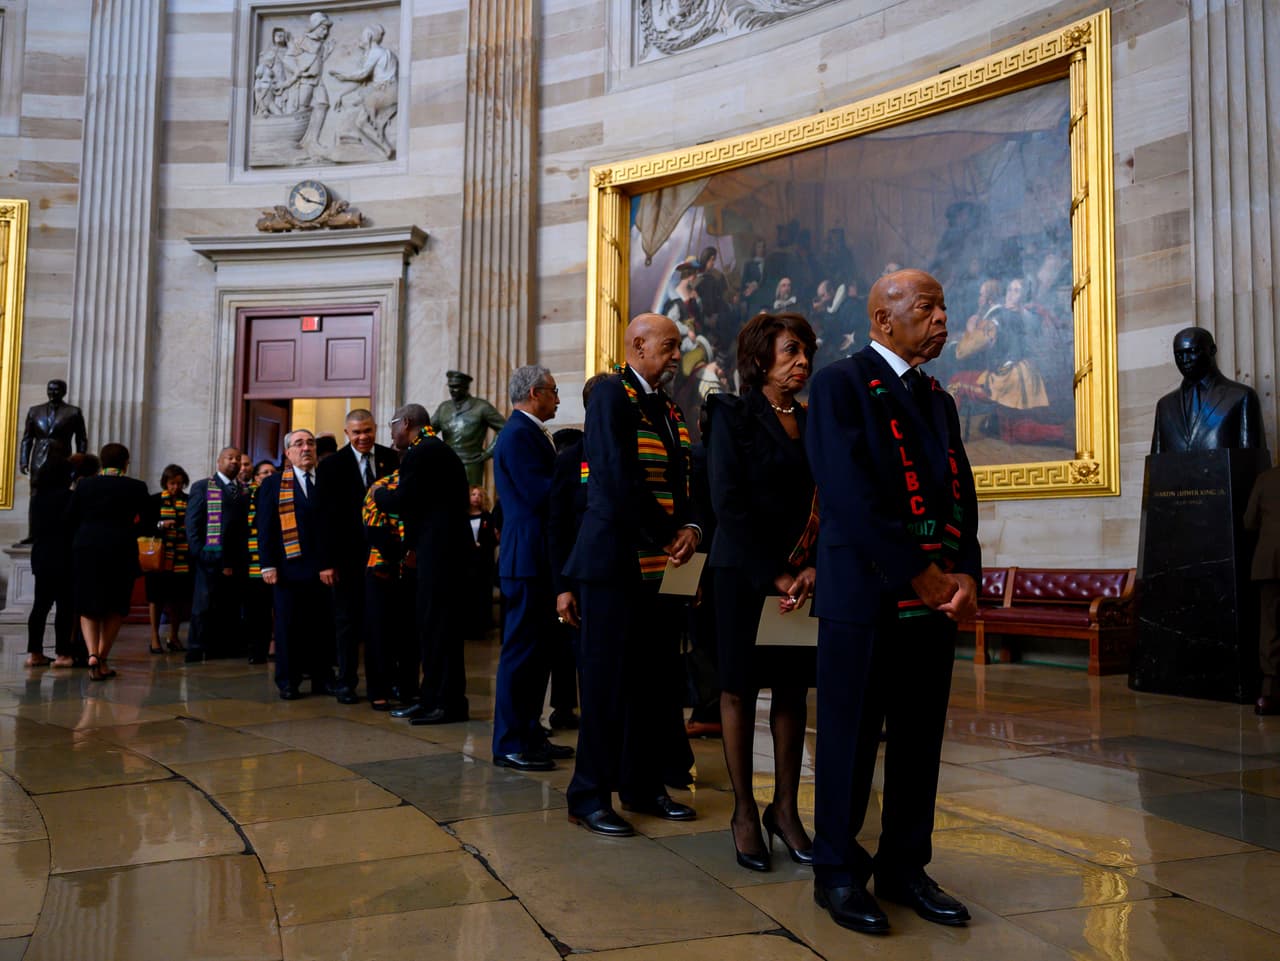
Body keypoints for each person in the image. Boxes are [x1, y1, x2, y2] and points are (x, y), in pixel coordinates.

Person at [805, 268, 980, 934]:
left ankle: (905, 865)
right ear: (883, 318)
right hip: (865, 598)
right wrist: (919, 572)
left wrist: (963, 571)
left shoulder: (939, 399)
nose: (942, 317)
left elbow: (959, 489)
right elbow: (848, 496)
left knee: (918, 740)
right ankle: (838, 872)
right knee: (848, 742)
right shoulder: (840, 384)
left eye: (944, 306)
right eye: (928, 307)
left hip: (931, 603)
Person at [562, 314, 701, 837]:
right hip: (614, 563)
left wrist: (690, 526)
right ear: (637, 345)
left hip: (660, 567)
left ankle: (642, 787)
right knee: (604, 684)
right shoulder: (610, 396)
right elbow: (617, 477)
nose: (674, 355)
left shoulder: (667, 406)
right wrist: (667, 531)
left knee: (652, 683)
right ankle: (588, 796)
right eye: (668, 346)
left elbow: (686, 475)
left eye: (677, 347)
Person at [707, 312, 819, 873]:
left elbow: (829, 500)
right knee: (740, 690)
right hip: (744, 575)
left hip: (800, 577)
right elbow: (727, 501)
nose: (803, 362)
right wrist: (773, 572)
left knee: (794, 691)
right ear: (760, 358)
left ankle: (786, 810)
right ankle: (745, 812)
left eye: (806, 353)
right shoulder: (731, 413)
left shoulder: (812, 419)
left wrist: (810, 568)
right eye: (792, 351)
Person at [490, 365, 574, 771]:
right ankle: (509, 742)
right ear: (535, 392)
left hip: (537, 555)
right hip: (526, 557)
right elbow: (541, 493)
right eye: (554, 392)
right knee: (521, 654)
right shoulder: (519, 434)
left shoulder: (529, 432)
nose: (558, 399)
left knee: (539, 653)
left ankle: (530, 733)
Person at [378, 404, 473, 724]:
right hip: (439, 553)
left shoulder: (424, 452)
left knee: (439, 631)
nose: (390, 433)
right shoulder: (432, 449)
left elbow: (406, 500)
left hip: (441, 556)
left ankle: (446, 703)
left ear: (406, 423)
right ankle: (431, 697)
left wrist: (379, 495)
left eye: (392, 425)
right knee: (432, 629)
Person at [316, 408, 398, 703]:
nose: (363, 437)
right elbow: (322, 518)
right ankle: (346, 682)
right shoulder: (331, 466)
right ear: (346, 434)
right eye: (357, 432)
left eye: (368, 431)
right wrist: (325, 562)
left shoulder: (392, 459)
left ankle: (384, 684)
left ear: (375, 429)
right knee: (347, 622)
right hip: (345, 559)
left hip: (385, 557)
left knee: (383, 622)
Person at [257, 430, 336, 699]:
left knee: (322, 626)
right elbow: (265, 527)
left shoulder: (327, 480)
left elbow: (332, 527)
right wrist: (267, 564)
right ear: (288, 453)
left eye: (310, 443)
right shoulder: (274, 484)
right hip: (287, 568)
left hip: (323, 569)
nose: (306, 448)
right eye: (299, 444)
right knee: (288, 627)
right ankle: (288, 681)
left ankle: (322, 678)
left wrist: (329, 563)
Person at [66, 443, 150, 681]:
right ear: (126, 462)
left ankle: (91, 654)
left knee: (87, 604)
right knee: (115, 605)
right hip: (120, 548)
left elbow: (70, 517)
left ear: (102, 462)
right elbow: (148, 521)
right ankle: (102, 658)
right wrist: (128, 533)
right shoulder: (136, 487)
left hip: (87, 549)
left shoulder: (85, 485)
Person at [1151, 327, 1267, 453]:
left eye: (1192, 351)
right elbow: (1155, 464)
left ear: (1212, 350)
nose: (1185, 360)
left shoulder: (1241, 397)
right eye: (1179, 355)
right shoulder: (1165, 406)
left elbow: (1253, 460)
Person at [185, 447, 250, 663]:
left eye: (238, 459)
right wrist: (199, 551)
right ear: (219, 461)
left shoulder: (243, 490)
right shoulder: (203, 487)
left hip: (236, 556)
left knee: (231, 604)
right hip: (210, 554)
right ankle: (196, 647)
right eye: (230, 458)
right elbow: (193, 522)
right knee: (204, 604)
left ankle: (224, 646)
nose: (234, 462)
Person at [26, 459, 76, 668]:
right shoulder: (70, 497)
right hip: (64, 555)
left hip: (42, 555)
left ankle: (34, 653)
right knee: (65, 608)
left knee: (40, 607)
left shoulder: (36, 499)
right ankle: (63, 654)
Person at [144, 465, 192, 654]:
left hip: (181, 556)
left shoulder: (188, 501)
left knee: (178, 599)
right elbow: (145, 526)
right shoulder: (154, 501)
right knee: (155, 597)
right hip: (159, 556)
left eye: (180, 484)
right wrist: (161, 524)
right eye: (172, 483)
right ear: (165, 482)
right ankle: (155, 637)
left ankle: (173, 635)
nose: (176, 488)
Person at [432, 371, 508, 486]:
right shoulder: (444, 408)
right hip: (446, 462)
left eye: (456, 387)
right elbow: (428, 431)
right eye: (450, 387)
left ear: (465, 387)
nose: (452, 390)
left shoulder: (481, 407)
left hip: (471, 463)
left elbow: (505, 429)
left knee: (470, 499)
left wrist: (488, 453)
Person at [1245, 467, 1280, 716]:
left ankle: (1269, 692)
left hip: (1270, 563)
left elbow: (1249, 521)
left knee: (1271, 627)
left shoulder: (1266, 478)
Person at [243, 459, 277, 665]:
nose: (268, 475)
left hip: (275, 562)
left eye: (272, 472)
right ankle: (256, 649)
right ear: (255, 477)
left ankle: (275, 644)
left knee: (275, 609)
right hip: (251, 563)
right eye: (264, 472)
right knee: (255, 611)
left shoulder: (279, 494)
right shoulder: (246, 497)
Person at [464, 485, 498, 637]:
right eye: (473, 494)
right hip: (467, 562)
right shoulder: (462, 517)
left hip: (483, 562)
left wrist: (482, 545)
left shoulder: (487, 517)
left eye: (479, 495)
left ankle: (482, 625)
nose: (476, 497)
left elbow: (493, 539)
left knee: (482, 594)